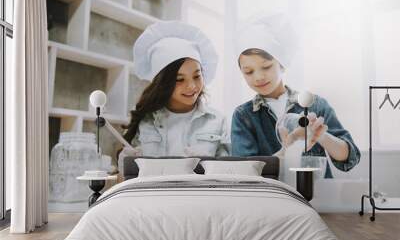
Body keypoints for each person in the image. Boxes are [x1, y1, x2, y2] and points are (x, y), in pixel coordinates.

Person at [231, 15, 360, 178]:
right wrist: (287, 150)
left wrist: (321, 136)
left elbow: (350, 158)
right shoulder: (244, 116)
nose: (258, 77)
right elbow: (244, 172)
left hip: (316, 197)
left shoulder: (316, 105)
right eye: (249, 71)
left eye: (266, 67)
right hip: (271, 198)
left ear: (282, 63)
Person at [118, 21, 230, 174]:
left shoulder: (219, 121)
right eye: (179, 79)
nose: (191, 86)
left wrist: (208, 167)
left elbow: (230, 175)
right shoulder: (146, 122)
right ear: (162, 83)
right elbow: (133, 178)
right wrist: (126, 165)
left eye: (197, 76)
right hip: (154, 197)